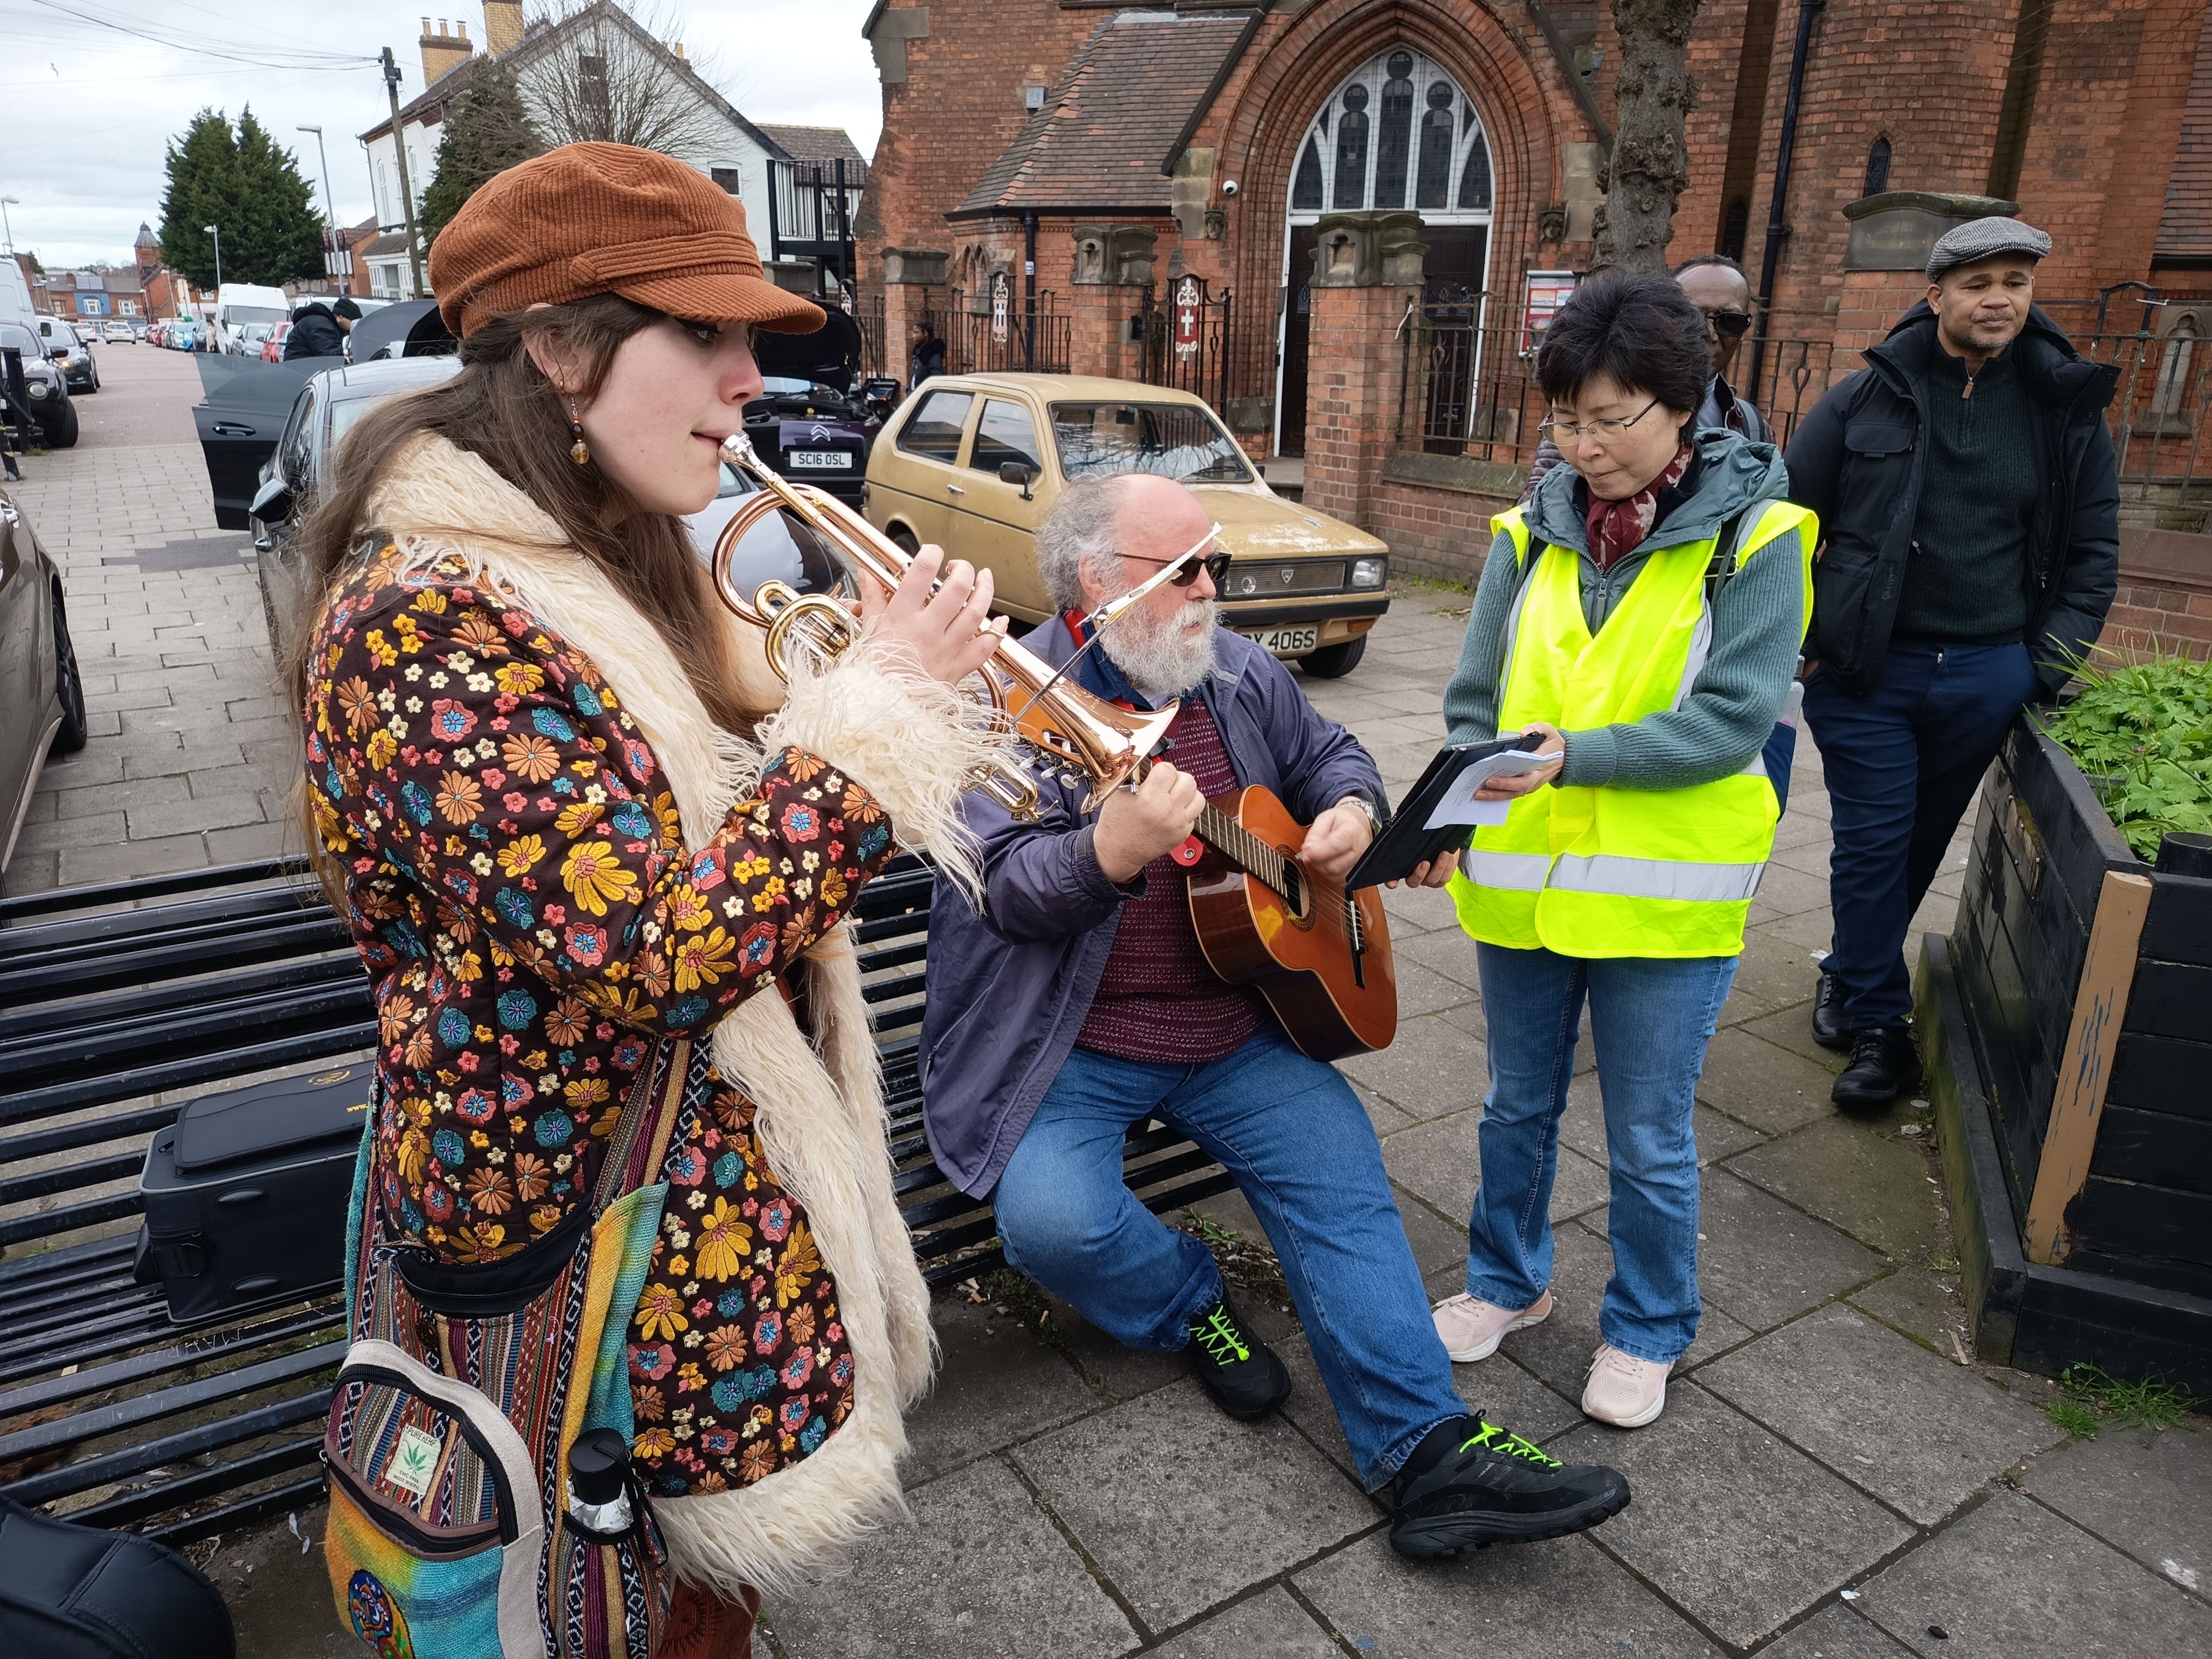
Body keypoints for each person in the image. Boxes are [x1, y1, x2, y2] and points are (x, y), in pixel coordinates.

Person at [289, 143, 1009, 1655]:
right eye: (705, 333)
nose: (750, 379)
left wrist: (837, 680)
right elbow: (661, 950)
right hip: (587, 1250)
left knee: (704, 1603)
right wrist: (875, 714)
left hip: (701, 1213)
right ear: (558, 349)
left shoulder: (595, 556)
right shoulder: (424, 617)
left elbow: (694, 811)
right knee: (624, 1610)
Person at [920, 472, 1632, 1559]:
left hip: (1240, 1028)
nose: (1213, 590)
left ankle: (1427, 1453)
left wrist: (1352, 808)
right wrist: (1105, 854)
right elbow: (1003, 891)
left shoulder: (1232, 671)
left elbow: (1330, 753)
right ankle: (1187, 1301)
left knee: (1342, 1186)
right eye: (1185, 571)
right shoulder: (999, 702)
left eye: (1217, 565)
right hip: (1069, 1046)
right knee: (1053, 1225)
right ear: (1095, 584)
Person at [1432, 269, 1815, 1430]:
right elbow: (1473, 700)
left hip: (1664, 900)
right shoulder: (1524, 533)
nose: (1582, 447)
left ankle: (1648, 1326)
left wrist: (1575, 757)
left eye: (1609, 420)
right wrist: (1448, 814)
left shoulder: (1757, 537)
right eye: (1563, 420)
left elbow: (1731, 721)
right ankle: (1507, 1282)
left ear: (1682, 407)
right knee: (1514, 1107)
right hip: (1523, 889)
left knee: (1649, 1137)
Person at [1785, 217, 2119, 1105]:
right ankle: (1882, 1031)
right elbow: (1785, 527)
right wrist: (1810, 646)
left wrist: (2038, 668)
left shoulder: (2064, 412)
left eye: (2016, 281)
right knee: (1872, 846)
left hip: (1988, 673)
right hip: (1867, 673)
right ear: (1935, 295)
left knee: (1916, 845)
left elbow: (2093, 552)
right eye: (1978, 283)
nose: (1999, 299)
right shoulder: (1866, 399)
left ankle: (1848, 974)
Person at [1523, 254, 1769, 502]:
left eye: (1730, 321)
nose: (1710, 334)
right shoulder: (1576, 425)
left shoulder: (1751, 426)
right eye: (1693, 316)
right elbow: (1542, 503)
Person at [282, 295, 359, 361]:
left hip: (300, 369)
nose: (353, 327)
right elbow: (333, 358)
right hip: (302, 371)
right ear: (341, 317)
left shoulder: (319, 322)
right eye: (353, 322)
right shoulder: (322, 326)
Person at [908, 317, 946, 389]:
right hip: (916, 392)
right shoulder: (919, 350)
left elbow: (937, 376)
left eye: (917, 333)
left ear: (925, 333)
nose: (914, 336)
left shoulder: (933, 353)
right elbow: (915, 374)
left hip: (925, 393)